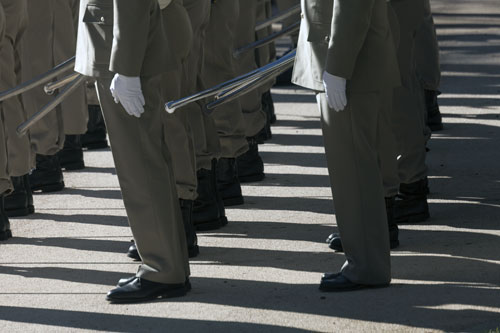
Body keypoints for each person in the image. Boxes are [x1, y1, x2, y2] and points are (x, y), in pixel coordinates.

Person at [75, 0, 190, 302]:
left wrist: (126, 67)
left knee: (140, 166)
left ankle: (163, 269)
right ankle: (167, 263)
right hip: (118, 43)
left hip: (123, 50)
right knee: (145, 162)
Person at [292, 0, 400, 291]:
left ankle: (366, 267)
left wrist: (338, 66)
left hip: (350, 62)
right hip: (346, 56)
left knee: (353, 170)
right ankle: (364, 260)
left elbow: (353, 5)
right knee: (354, 169)